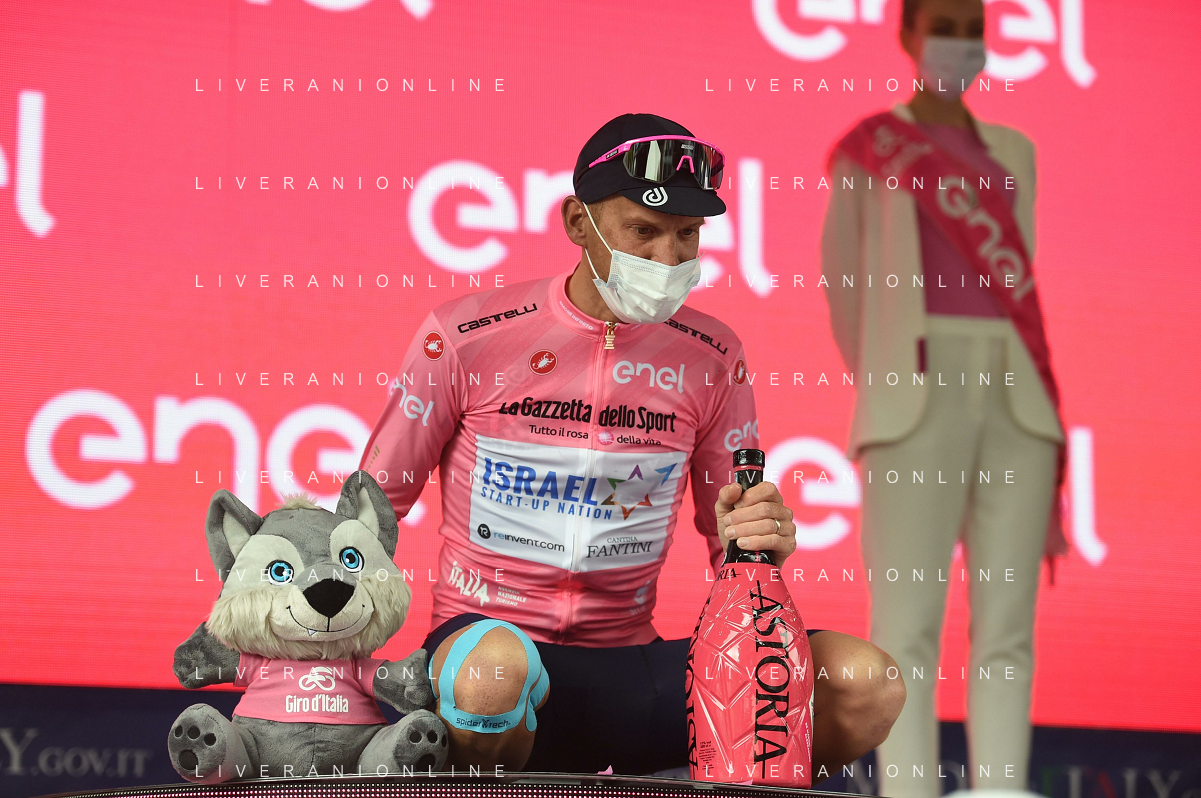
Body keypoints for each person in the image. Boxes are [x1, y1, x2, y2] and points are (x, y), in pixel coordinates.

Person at [361, 113, 905, 780]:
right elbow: (371, 509)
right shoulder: (466, 334)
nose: (668, 259)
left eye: (686, 234)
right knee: (490, 674)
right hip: (485, 651)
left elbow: (731, 543)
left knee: (864, 682)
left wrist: (760, 545)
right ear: (577, 222)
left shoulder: (713, 354)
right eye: (643, 231)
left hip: (632, 668)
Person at [820, 1, 1068, 795]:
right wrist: (888, 380)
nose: (959, 43)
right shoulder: (870, 147)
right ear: (907, 35)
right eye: (944, 26)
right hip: (914, 391)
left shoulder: (1015, 152)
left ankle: (1001, 785)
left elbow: (1021, 279)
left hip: (1015, 394)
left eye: (971, 28)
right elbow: (844, 284)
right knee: (907, 624)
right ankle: (909, 790)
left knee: (1008, 626)